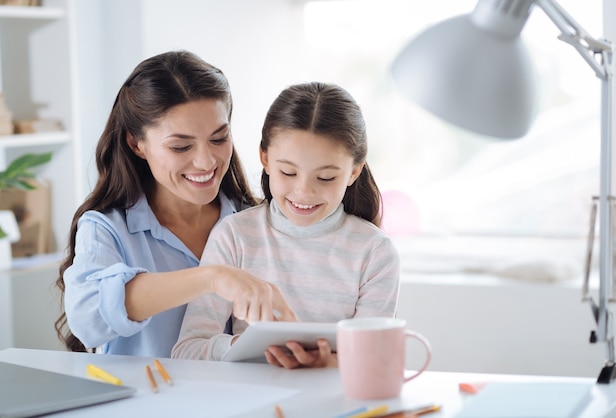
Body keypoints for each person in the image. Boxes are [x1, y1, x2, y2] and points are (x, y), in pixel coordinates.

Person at [53, 50, 295, 358]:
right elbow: (88, 318)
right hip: (149, 404)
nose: (206, 161)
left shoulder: (257, 221)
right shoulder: (108, 228)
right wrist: (213, 277)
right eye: (181, 146)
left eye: (219, 139)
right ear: (136, 144)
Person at [172, 81, 401, 368]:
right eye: (288, 172)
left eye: (326, 178)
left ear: (354, 171)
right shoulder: (235, 236)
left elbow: (375, 359)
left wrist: (326, 362)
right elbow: (187, 350)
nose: (304, 192)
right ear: (265, 159)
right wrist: (243, 345)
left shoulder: (375, 252)